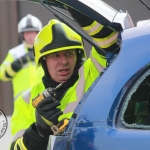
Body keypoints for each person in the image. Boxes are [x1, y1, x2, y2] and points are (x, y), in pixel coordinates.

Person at [10, 7, 122, 150]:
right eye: (56, 55)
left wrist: (79, 10)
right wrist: (39, 132)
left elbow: (109, 40)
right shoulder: (26, 102)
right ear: (43, 61)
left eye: (69, 53)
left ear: (78, 56)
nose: (64, 61)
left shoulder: (93, 70)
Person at [0, 14, 44, 100]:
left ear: (38, 32)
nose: (30, 36)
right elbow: (2, 75)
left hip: (43, 96)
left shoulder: (45, 50)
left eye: (33, 32)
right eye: (27, 32)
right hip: (21, 100)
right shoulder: (15, 53)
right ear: (22, 34)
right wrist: (14, 66)